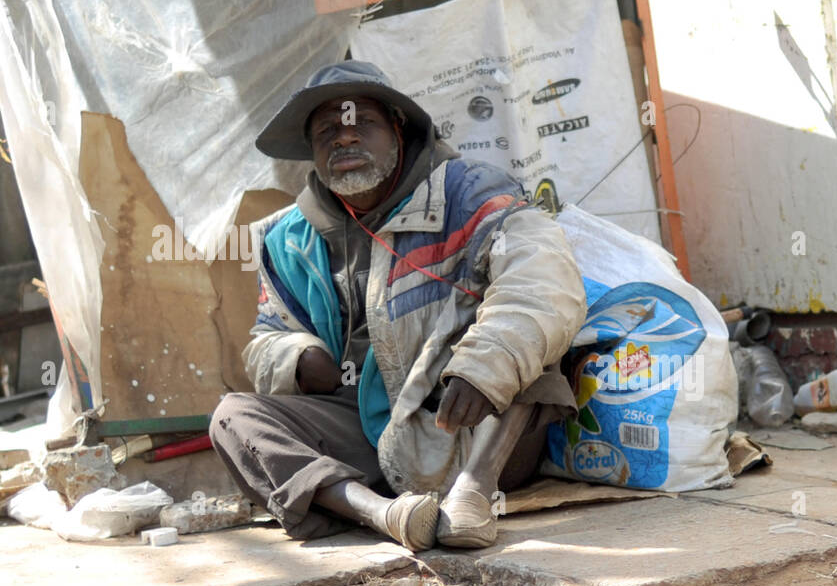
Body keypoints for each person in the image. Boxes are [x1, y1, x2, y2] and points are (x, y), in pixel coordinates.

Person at [210, 61, 586, 551]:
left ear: (398, 131)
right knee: (232, 416)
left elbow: (544, 281)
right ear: (311, 151)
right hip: (367, 434)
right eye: (326, 131)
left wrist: (480, 369)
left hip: (470, 424)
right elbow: (267, 335)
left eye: (361, 123)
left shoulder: (469, 191)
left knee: (532, 350)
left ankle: (472, 496)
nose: (343, 139)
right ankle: (384, 515)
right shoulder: (286, 236)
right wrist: (297, 357)